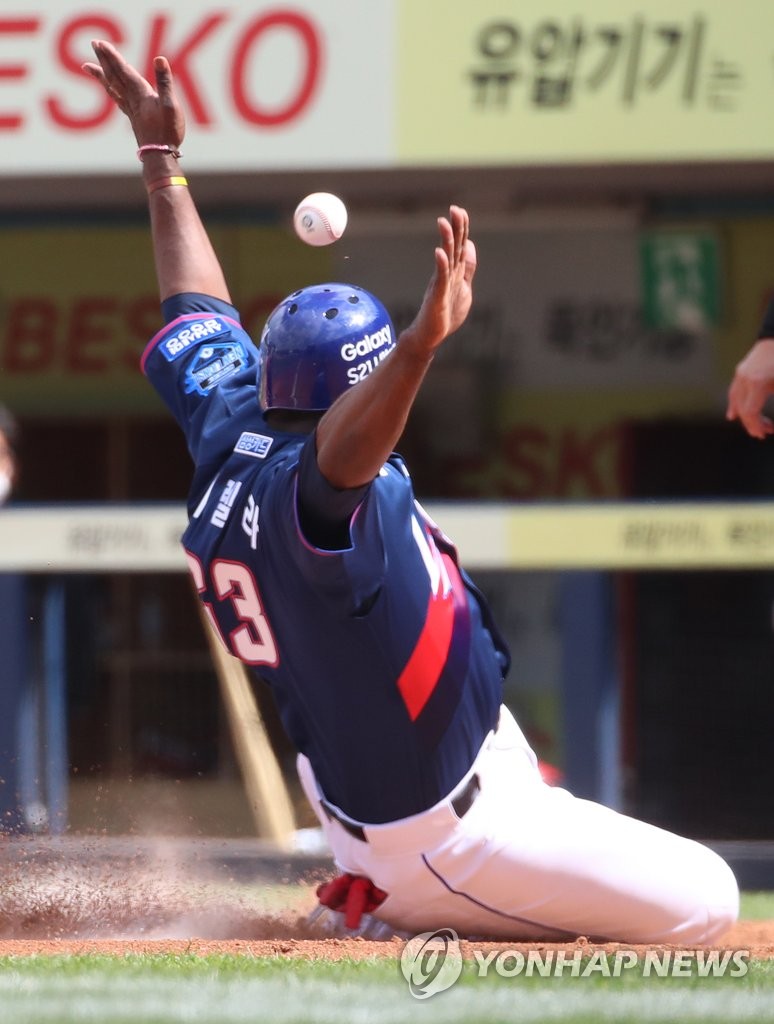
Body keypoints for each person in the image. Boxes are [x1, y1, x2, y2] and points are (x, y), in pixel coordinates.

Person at [83, 40, 739, 943]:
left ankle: (402, 891)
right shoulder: (309, 492)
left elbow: (195, 308)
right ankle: (401, 913)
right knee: (710, 902)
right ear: (357, 390)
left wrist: (163, 167)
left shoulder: (236, 413)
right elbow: (339, 462)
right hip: (439, 833)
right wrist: (420, 349)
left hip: (419, 771)